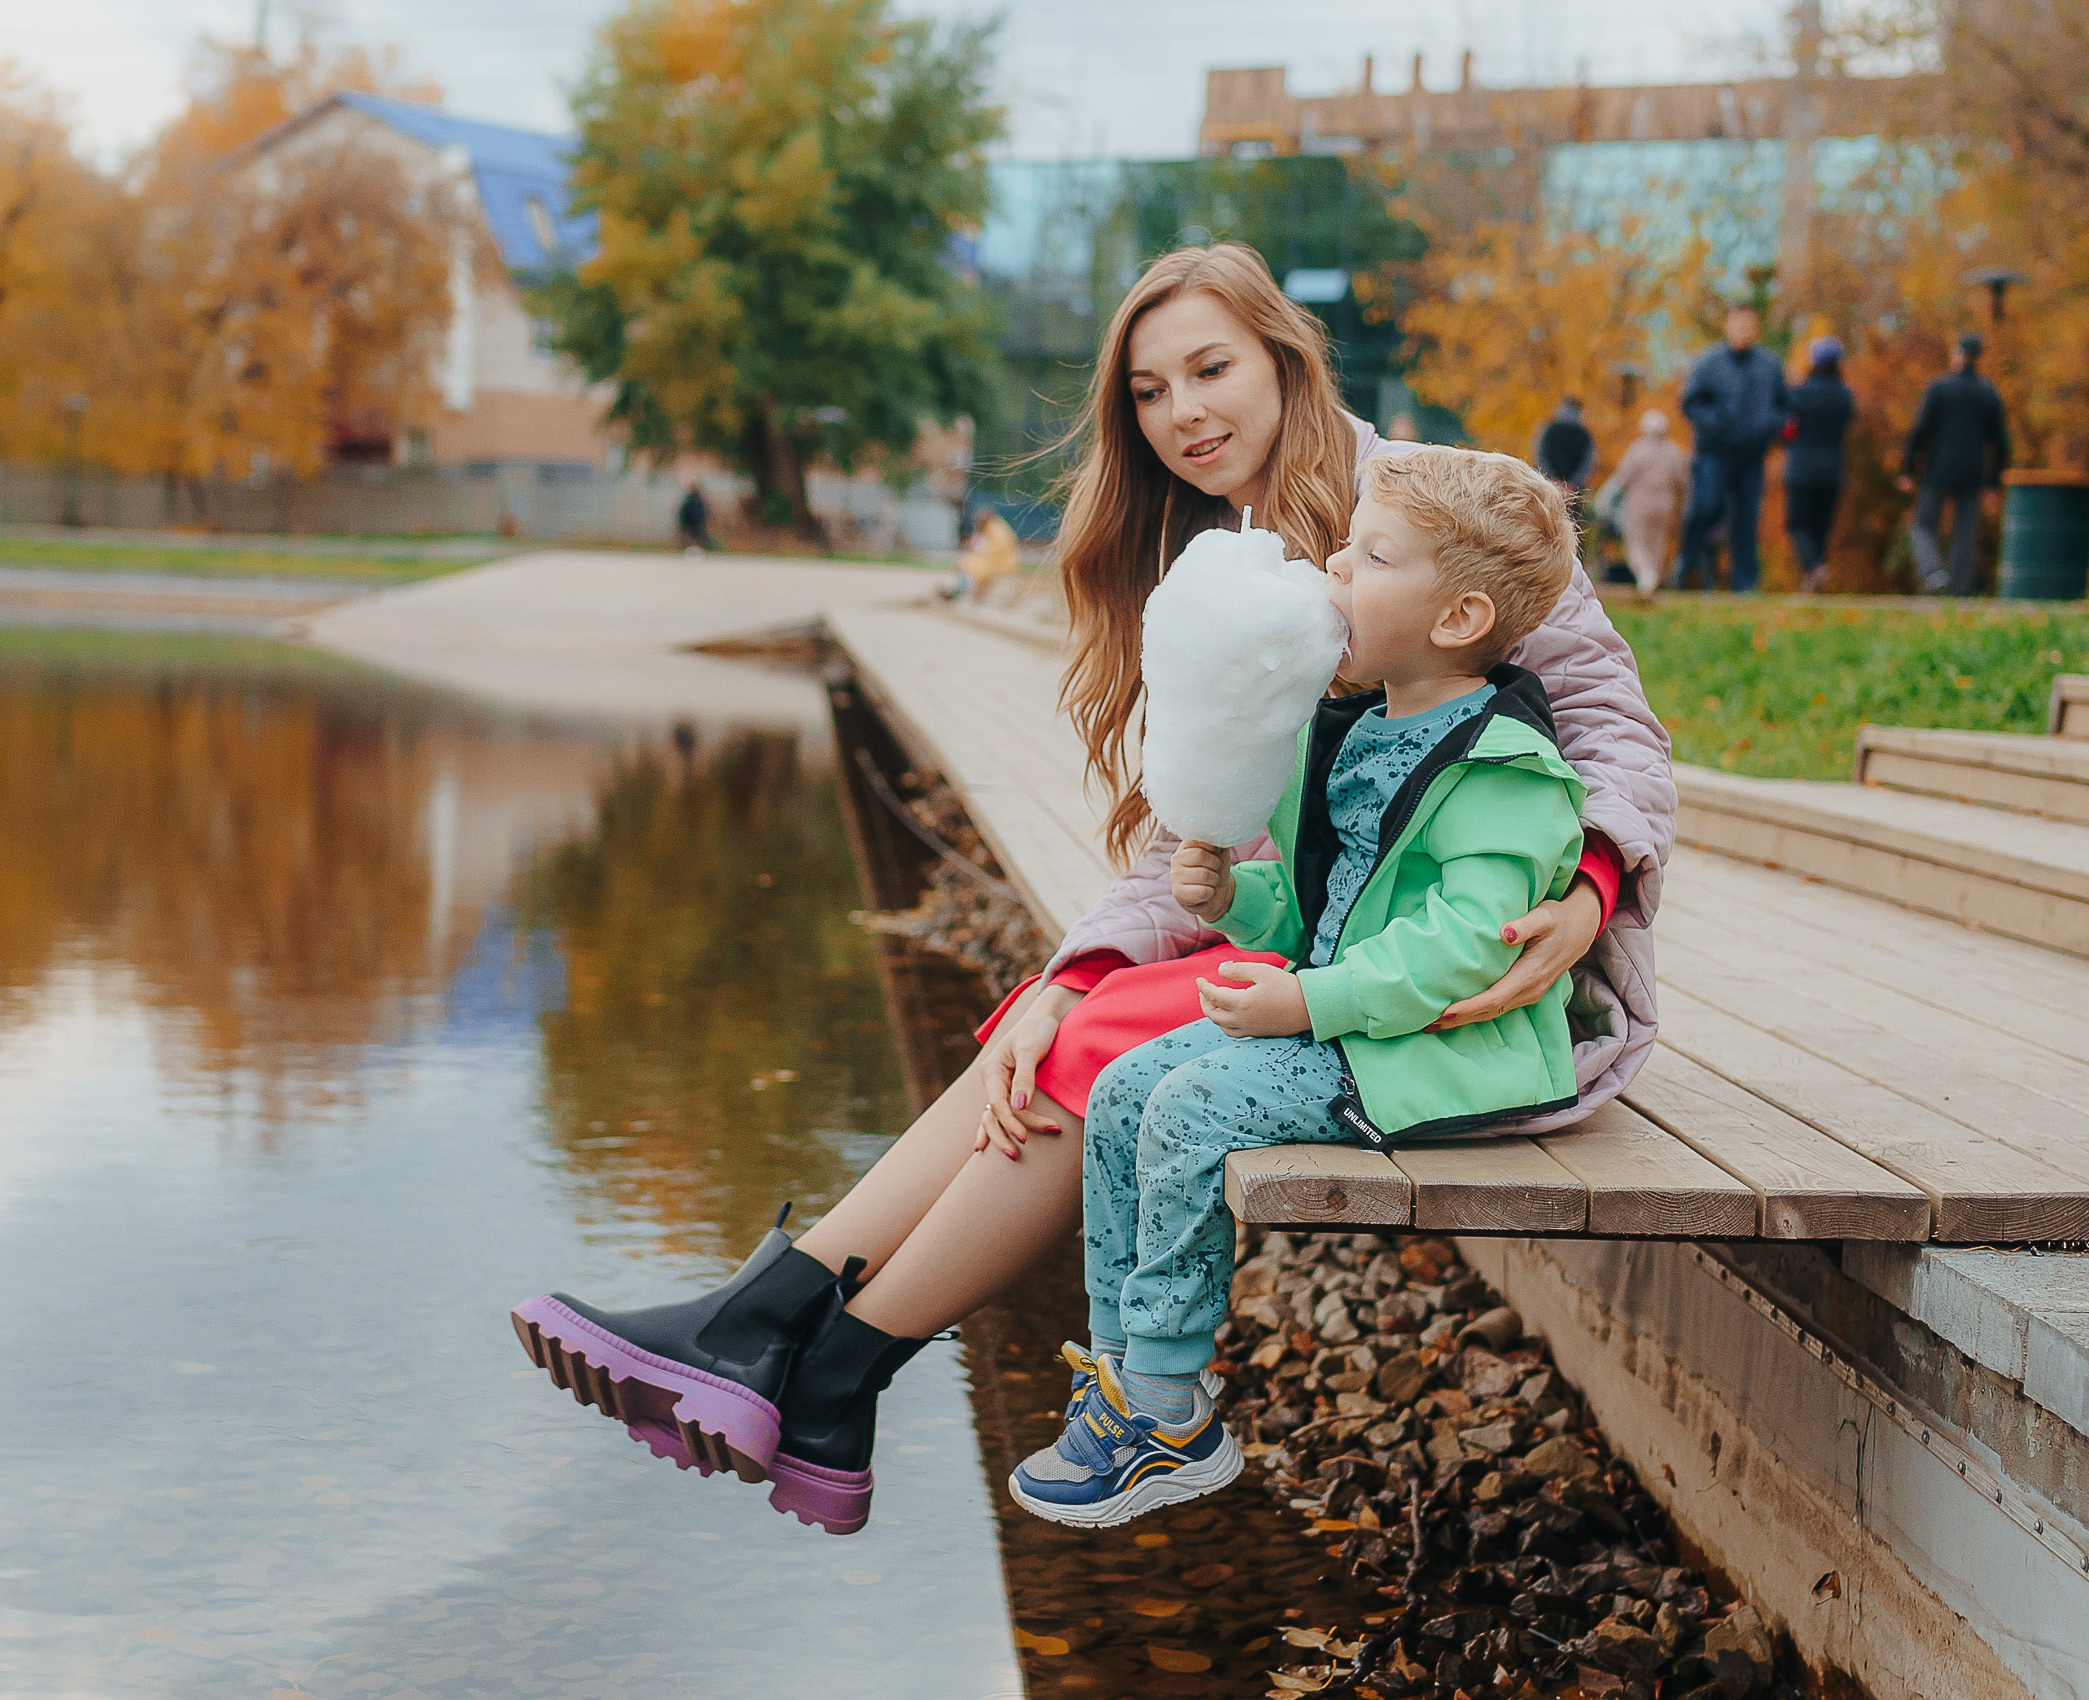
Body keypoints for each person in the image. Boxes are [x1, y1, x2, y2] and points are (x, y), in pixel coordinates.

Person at [510, 243, 1674, 1538]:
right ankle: (792, 1353)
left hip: (1472, 970)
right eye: (1147, 389)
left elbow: (1611, 720)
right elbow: (1193, 836)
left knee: (1099, 1033)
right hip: (1320, 952)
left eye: (1210, 369)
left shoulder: (1430, 516)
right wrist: (1062, 977)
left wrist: (1592, 877)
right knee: (1060, 1021)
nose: (1181, 411)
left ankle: (804, 1358)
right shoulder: (1207, 557)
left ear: (1287, 362)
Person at [1008, 446, 1585, 1525]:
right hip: (1353, 1018)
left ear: (1457, 617)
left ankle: (1172, 1407)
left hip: (1440, 1049)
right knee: (1128, 1083)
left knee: (1189, 1104)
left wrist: (1305, 1003)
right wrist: (1235, 900)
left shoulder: (1504, 770)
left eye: (1369, 553)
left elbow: (1468, 944)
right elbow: (1327, 914)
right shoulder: (1363, 730)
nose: (1331, 565)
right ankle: (1125, 1378)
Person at [1676, 305, 1787, 592]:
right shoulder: (1708, 363)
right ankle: (1685, 567)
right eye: (1738, 325)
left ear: (1756, 329)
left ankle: (1745, 583)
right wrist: (1717, 424)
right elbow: (1691, 403)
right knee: (1705, 508)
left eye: (1749, 326)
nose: (1743, 332)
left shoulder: (1769, 365)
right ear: (1728, 327)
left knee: (1746, 518)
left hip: (1751, 455)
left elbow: (1785, 407)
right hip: (1714, 453)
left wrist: (1768, 426)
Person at [1900, 333, 2009, 596]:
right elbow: (2001, 441)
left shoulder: (1938, 388)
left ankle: (1932, 572)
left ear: (1957, 353)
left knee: (1922, 526)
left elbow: (1920, 431)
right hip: (1973, 471)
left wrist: (1908, 469)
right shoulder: (1987, 392)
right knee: (1965, 533)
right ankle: (1959, 590)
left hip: (1938, 468)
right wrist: (1994, 480)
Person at [1782, 338, 1854, 592]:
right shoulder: (1845, 395)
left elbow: (1788, 430)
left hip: (1801, 467)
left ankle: (1813, 567)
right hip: (1833, 469)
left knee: (1798, 524)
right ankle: (1813, 579)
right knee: (1820, 527)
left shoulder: (1799, 394)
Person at [1595, 411, 1688, 598]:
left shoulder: (1638, 449)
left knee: (1635, 539)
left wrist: (1605, 500)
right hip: (1665, 503)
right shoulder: (1673, 451)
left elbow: (1623, 478)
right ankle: (1652, 577)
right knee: (1657, 542)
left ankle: (1645, 574)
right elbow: (1683, 480)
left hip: (1640, 501)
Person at [1533, 397, 1597, 494]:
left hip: (1547, 486)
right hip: (1574, 492)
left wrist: (1551, 479)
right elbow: (1588, 462)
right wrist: (1573, 483)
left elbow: (1540, 455)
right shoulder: (1585, 434)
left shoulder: (1548, 429)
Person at [676, 482, 713, 554]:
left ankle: (693, 552)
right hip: (695, 523)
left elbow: (683, 512)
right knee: (694, 540)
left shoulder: (692, 499)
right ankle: (693, 552)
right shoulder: (698, 500)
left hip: (692, 524)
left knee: (693, 540)